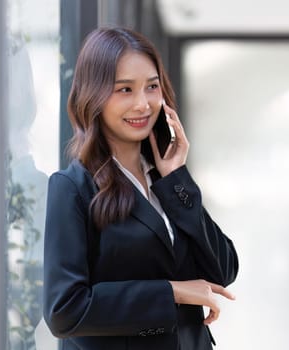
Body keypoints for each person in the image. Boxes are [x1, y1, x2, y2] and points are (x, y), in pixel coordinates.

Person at [42, 27, 239, 350]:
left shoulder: (166, 181)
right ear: (94, 95)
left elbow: (223, 270)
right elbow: (65, 311)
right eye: (124, 90)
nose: (143, 104)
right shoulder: (73, 188)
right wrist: (172, 292)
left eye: (152, 87)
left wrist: (176, 179)